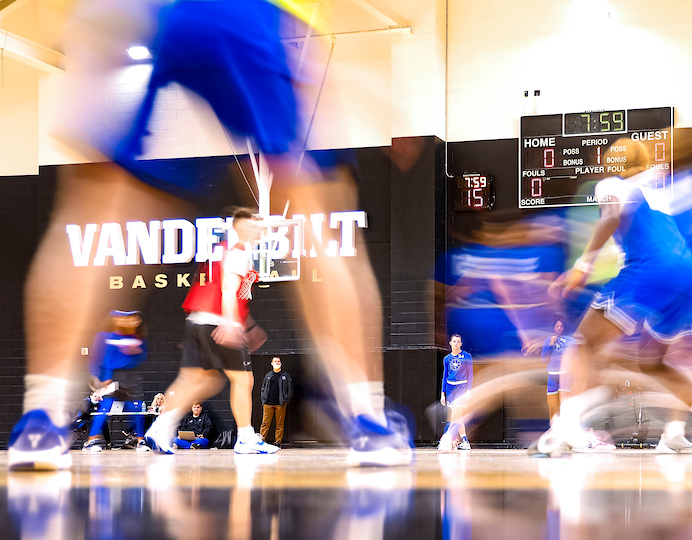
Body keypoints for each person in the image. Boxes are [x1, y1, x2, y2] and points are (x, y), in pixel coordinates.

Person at [7, 0, 410, 471]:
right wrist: (236, 321)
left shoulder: (227, 250)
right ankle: (365, 418)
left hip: (128, 9)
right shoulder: (235, 252)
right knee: (317, 215)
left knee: (93, 207)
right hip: (247, 14)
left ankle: (42, 417)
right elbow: (232, 281)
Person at [540, 138, 692, 457]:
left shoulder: (610, 184)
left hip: (650, 270)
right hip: (688, 276)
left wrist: (583, 265)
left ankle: (566, 426)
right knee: (652, 363)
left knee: (583, 344)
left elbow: (610, 216)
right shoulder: (657, 193)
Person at [143, 209, 279, 455]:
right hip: (218, 321)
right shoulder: (238, 253)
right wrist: (230, 322)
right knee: (243, 380)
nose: (260, 230)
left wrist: (247, 326)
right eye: (255, 226)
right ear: (241, 228)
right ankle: (246, 437)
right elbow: (228, 289)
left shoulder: (221, 251)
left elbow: (226, 291)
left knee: (199, 379)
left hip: (197, 320)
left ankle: (161, 426)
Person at [83, 310, 150, 452]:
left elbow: (142, 356)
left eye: (134, 317)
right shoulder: (106, 336)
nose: (130, 320)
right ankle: (90, 441)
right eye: (125, 317)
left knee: (137, 409)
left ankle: (140, 440)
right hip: (114, 377)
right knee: (105, 407)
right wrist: (103, 377)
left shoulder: (138, 337)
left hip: (132, 377)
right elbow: (102, 358)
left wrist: (136, 352)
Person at [439, 334, 474, 450]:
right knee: (457, 415)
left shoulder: (467, 356)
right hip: (450, 388)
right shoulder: (447, 359)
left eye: (458, 341)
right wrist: (443, 393)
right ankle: (464, 441)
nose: (456, 343)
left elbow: (470, 374)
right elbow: (445, 377)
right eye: (454, 341)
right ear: (450, 343)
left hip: (462, 387)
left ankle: (447, 437)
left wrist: (469, 390)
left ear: (461, 344)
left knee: (455, 413)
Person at [541, 316, 575, 421]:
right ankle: (553, 427)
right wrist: (551, 345)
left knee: (565, 405)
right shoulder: (548, 340)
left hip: (565, 375)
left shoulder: (571, 341)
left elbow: (576, 359)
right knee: (552, 406)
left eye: (561, 326)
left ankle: (566, 427)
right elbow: (544, 359)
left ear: (564, 327)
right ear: (554, 328)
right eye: (557, 326)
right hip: (552, 376)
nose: (559, 328)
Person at [260, 356, 294, 447]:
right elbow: (263, 387)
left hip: (280, 404)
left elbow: (290, 389)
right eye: (275, 361)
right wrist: (263, 399)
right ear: (271, 363)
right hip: (268, 403)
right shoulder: (268, 375)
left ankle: (278, 442)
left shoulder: (285, 376)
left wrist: (286, 399)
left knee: (279, 424)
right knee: (265, 423)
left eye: (278, 361)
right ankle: (261, 441)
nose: (277, 363)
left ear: (281, 363)